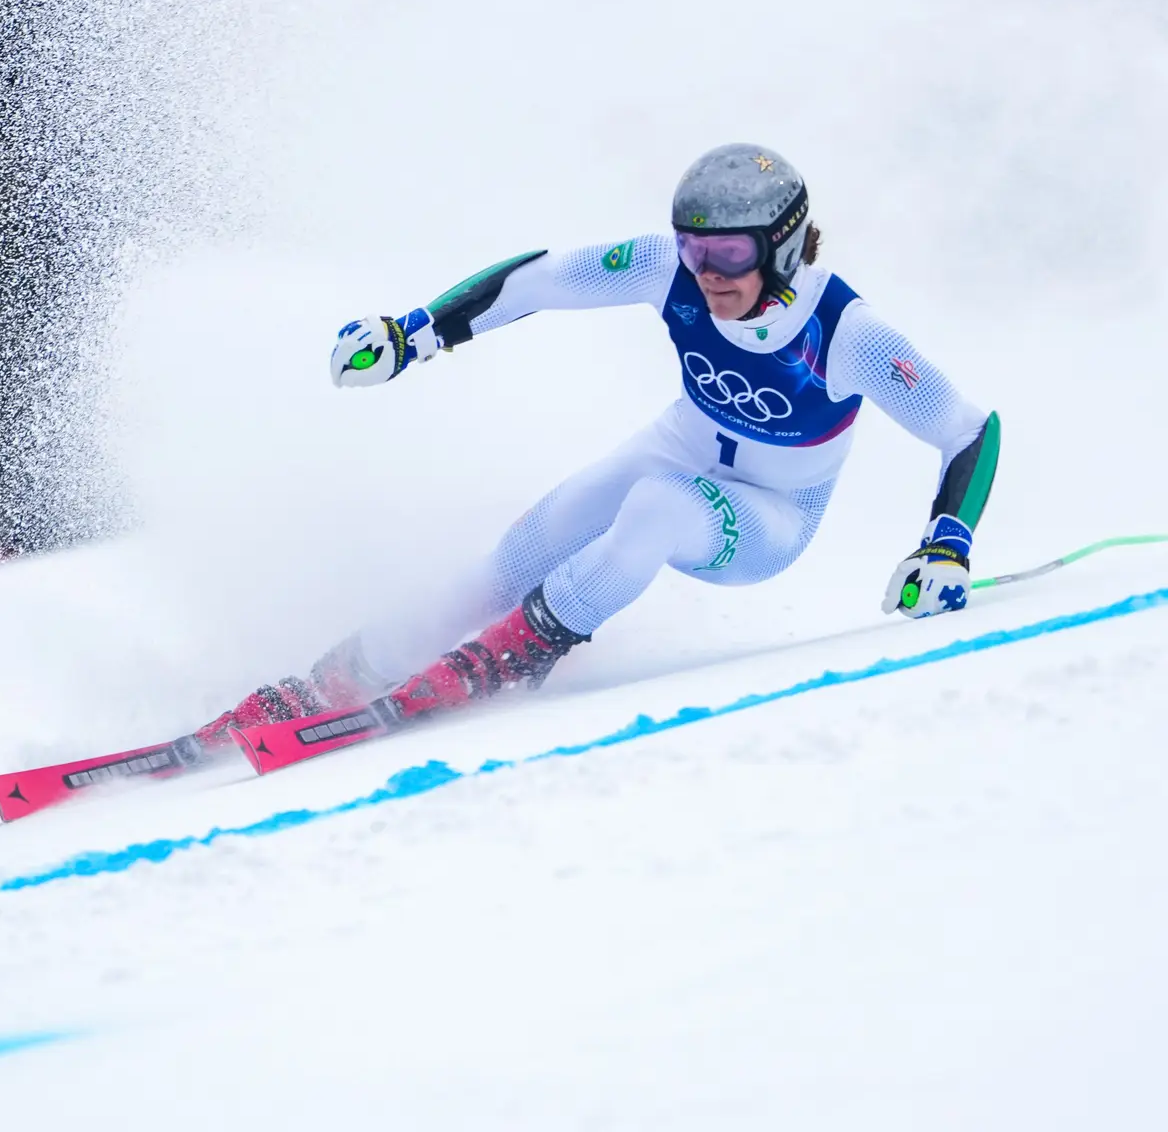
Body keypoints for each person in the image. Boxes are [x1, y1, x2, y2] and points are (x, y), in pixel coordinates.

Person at [196, 143, 1000, 745]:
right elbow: (540, 278)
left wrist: (946, 548)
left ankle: (510, 660)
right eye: (693, 246)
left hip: (770, 519)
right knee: (519, 554)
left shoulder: (846, 333)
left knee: (652, 507)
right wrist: (416, 334)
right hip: (677, 449)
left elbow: (968, 428)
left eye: (731, 253)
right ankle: (343, 675)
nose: (707, 272)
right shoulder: (669, 271)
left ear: (783, 245)